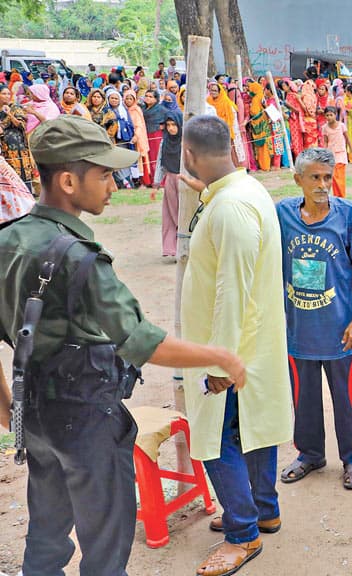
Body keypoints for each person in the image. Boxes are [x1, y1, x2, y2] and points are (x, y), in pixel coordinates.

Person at [0, 115, 245, 576]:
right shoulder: (80, 258)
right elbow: (143, 342)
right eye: (105, 174)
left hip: (35, 412)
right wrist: (220, 355)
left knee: (46, 533)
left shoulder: (6, 242)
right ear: (69, 181)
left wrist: (9, 409)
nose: (114, 184)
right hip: (87, 416)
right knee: (106, 544)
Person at [179, 115, 291, 576]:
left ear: (188, 153)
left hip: (230, 348)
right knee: (252, 429)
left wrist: (218, 359)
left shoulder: (231, 208)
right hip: (250, 342)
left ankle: (243, 533)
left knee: (214, 440)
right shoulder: (241, 192)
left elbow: (232, 288)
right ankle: (263, 509)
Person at [275, 147, 352, 490]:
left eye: (327, 177)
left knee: (347, 401)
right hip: (299, 331)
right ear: (297, 179)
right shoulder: (282, 214)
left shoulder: (349, 215)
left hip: (341, 332)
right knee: (304, 399)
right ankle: (310, 454)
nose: (322, 184)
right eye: (314, 177)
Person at [153, 110, 182, 258]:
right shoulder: (165, 142)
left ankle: (185, 246)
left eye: (174, 124)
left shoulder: (185, 142)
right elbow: (160, 162)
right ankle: (171, 249)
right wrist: (157, 182)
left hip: (185, 181)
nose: (171, 128)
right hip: (170, 180)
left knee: (184, 213)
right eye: (168, 125)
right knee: (170, 215)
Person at [0, 85, 37, 193]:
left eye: (8, 94)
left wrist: (9, 114)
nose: (6, 96)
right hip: (3, 147)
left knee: (21, 175)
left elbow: (21, 126)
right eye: (3, 94)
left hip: (17, 147)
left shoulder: (15, 108)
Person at [321, 106, 348, 198]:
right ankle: (337, 196)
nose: (329, 117)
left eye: (331, 115)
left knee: (340, 176)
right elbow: (325, 141)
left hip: (341, 153)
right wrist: (324, 152)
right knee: (334, 177)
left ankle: (342, 196)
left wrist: (351, 151)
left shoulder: (341, 126)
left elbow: (347, 138)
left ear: (335, 115)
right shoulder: (324, 128)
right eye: (327, 115)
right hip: (331, 153)